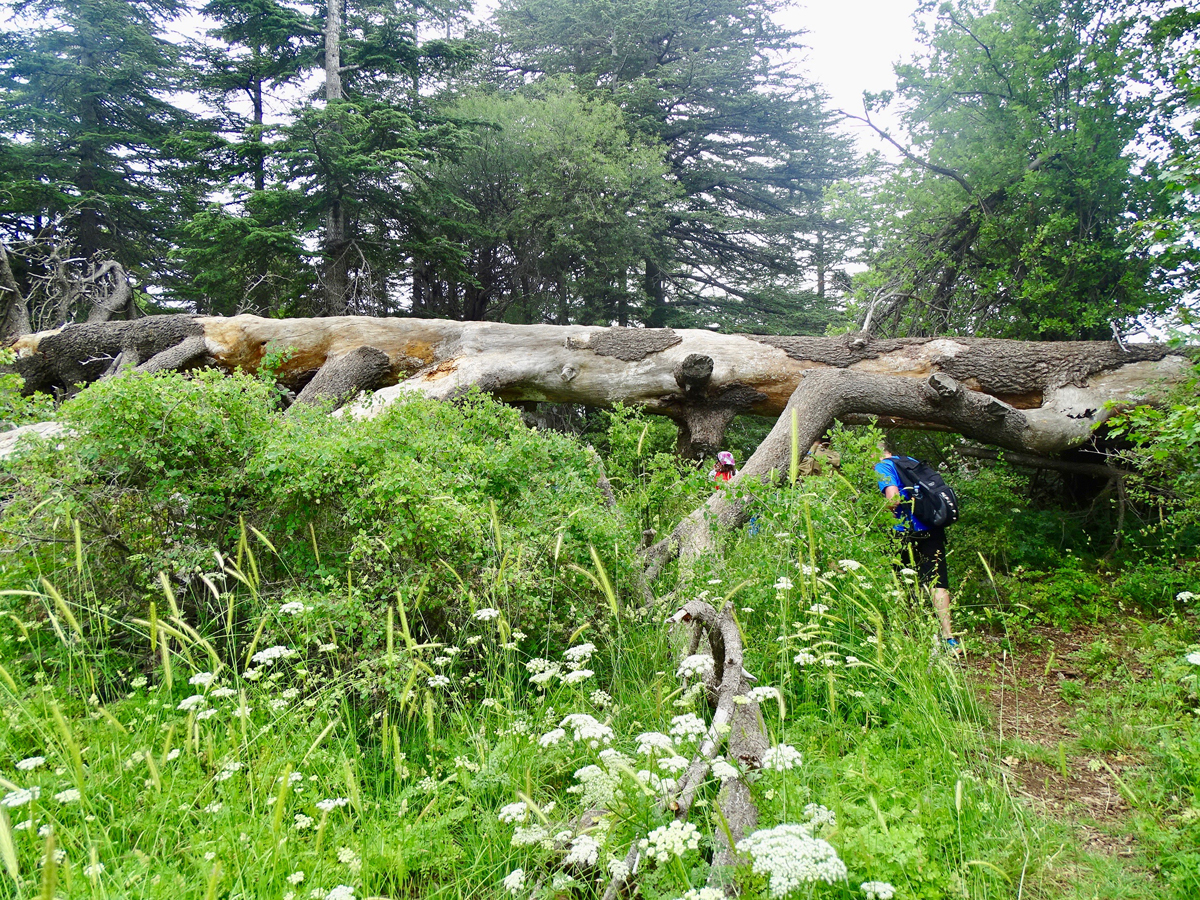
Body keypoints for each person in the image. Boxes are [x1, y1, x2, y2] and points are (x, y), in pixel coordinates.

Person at [874, 440, 961, 656]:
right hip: (932, 526)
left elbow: (893, 498)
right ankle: (949, 639)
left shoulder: (883, 466)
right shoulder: (911, 462)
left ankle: (902, 634)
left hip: (904, 532)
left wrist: (877, 516)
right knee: (937, 582)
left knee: (898, 581)